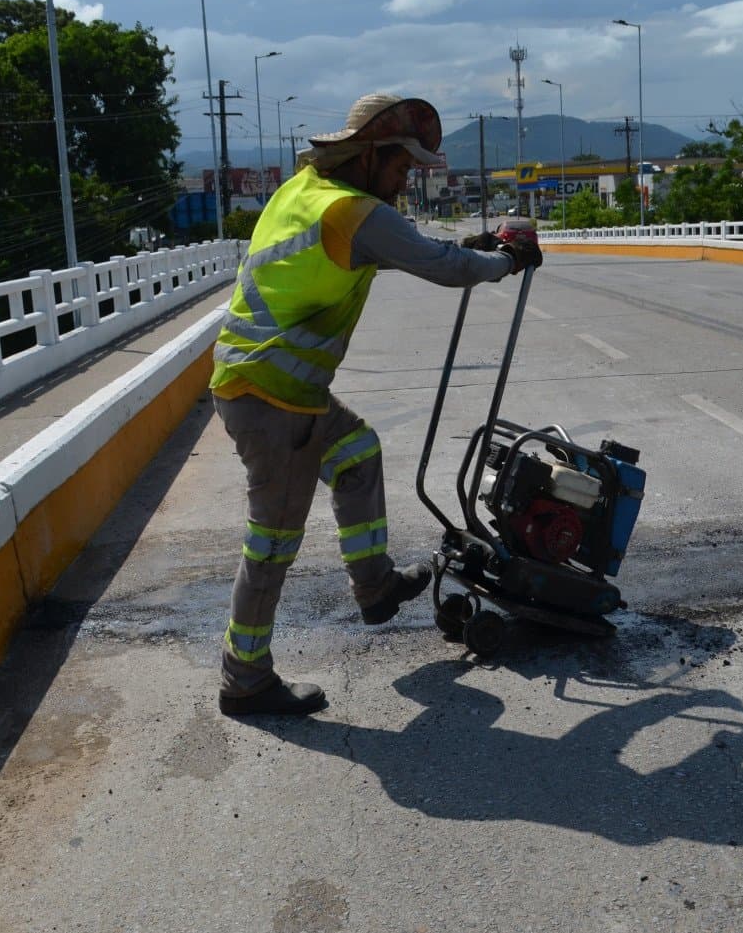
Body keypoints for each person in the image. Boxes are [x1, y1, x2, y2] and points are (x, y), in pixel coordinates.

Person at [209, 93, 543, 716]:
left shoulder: (305, 191)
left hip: (265, 388)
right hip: (275, 401)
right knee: (272, 544)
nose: (404, 178)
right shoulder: (354, 212)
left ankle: (375, 586)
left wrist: (466, 248)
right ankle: (244, 677)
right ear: (367, 157)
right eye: (399, 166)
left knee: (358, 451)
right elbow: (440, 266)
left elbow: (382, 251)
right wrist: (504, 259)